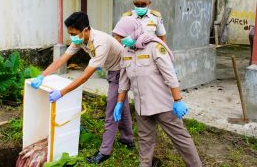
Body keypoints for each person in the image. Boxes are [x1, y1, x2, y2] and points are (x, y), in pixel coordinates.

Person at [30, 11, 134, 164]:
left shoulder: (101, 42)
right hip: (113, 70)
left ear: (85, 30)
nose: (72, 37)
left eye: (74, 33)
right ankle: (127, 139)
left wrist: (62, 92)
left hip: (122, 71)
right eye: (69, 33)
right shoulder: (80, 40)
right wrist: (42, 75)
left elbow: (85, 76)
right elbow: (62, 59)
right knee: (121, 106)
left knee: (111, 111)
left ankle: (104, 152)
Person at [112, 16, 202, 167]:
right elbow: (123, 81)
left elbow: (170, 76)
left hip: (163, 105)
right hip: (142, 106)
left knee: (180, 139)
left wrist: (178, 100)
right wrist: (119, 103)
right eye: (116, 36)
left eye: (120, 36)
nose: (118, 40)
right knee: (145, 140)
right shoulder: (126, 52)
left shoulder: (154, 47)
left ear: (133, 32)